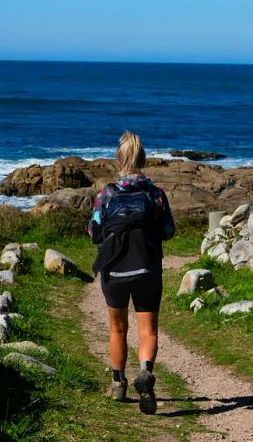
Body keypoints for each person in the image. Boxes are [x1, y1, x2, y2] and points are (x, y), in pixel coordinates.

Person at [88, 130, 175, 415]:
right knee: (147, 328)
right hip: (147, 266)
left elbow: (93, 231)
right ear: (144, 159)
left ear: (119, 159)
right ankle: (146, 374)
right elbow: (169, 231)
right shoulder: (156, 195)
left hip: (115, 269)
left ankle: (118, 385)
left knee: (118, 328)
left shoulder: (108, 193)